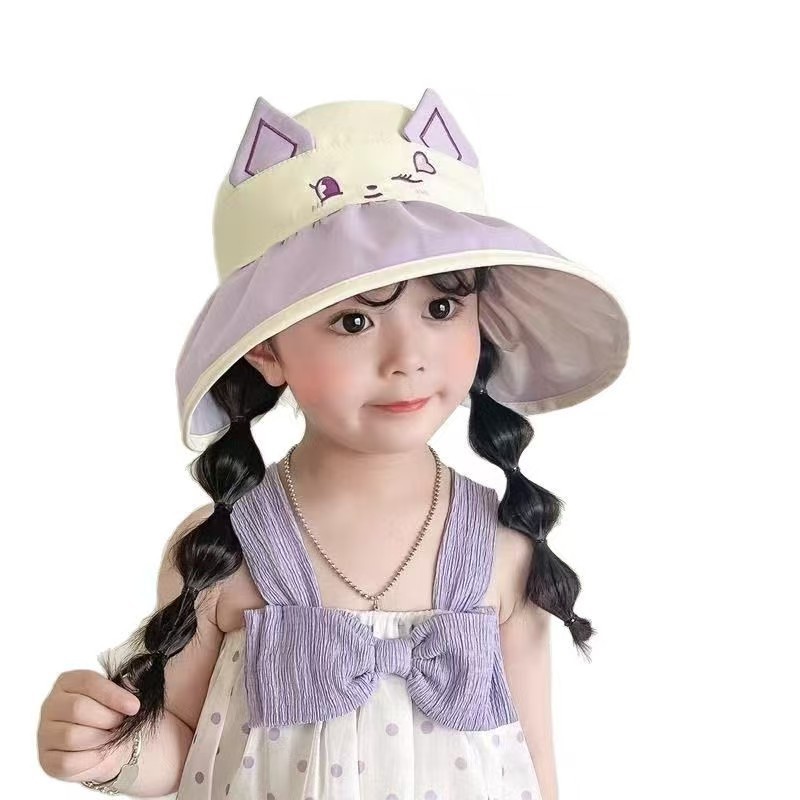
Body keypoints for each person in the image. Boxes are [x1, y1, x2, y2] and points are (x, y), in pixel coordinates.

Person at [37, 89, 630, 799]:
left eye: (442, 306)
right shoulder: (222, 550)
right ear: (264, 348)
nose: (408, 358)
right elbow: (182, 747)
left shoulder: (506, 551)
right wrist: (109, 750)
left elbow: (536, 768)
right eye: (353, 322)